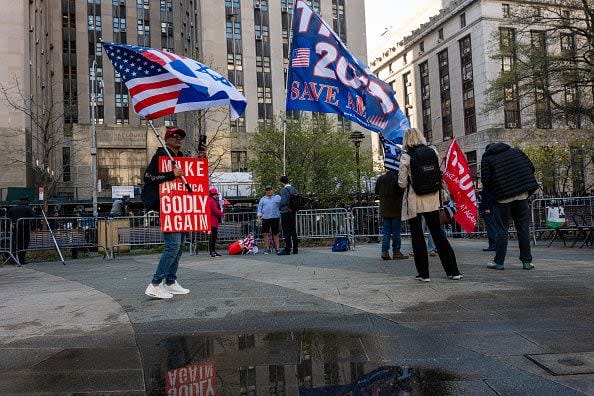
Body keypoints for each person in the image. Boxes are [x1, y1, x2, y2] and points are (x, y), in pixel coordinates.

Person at [398, 128, 462, 282]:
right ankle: (453, 271)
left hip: (415, 201)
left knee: (417, 237)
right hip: (433, 199)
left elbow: (402, 183)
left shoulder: (406, 156)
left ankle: (424, 274)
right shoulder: (433, 152)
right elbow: (439, 173)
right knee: (438, 235)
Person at [143, 127, 190, 299]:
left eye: (181, 137)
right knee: (172, 246)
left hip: (182, 205)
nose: (178, 139)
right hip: (168, 205)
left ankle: (170, 281)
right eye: (174, 136)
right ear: (166, 139)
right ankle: (155, 284)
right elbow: (148, 177)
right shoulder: (161, 155)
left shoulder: (181, 157)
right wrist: (171, 175)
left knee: (179, 247)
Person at [480, 142, 539, 270]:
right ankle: (527, 262)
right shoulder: (517, 152)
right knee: (523, 228)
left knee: (502, 230)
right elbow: (531, 167)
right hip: (521, 195)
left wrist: (495, 192)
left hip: (502, 198)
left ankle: (499, 262)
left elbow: (485, 180)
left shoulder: (487, 158)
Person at [375, 169, 408, 260]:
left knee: (386, 232)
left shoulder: (380, 179)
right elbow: (402, 192)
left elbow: (376, 191)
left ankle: (384, 252)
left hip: (385, 209)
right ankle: (396, 252)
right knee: (396, 232)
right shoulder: (397, 179)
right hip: (396, 209)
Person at [6, 197, 36, 265]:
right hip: (25, 229)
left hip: (15, 229)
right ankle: (21, 260)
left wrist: (8, 228)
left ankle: (13, 259)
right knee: (24, 244)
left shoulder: (12, 208)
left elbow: (8, 219)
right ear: (26, 201)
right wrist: (34, 226)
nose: (29, 203)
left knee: (15, 244)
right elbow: (34, 217)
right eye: (28, 201)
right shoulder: (28, 208)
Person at [257, 185, 281, 254]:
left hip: (275, 218)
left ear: (272, 190)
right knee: (265, 234)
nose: (269, 191)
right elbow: (259, 209)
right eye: (267, 190)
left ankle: (277, 249)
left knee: (276, 234)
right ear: (265, 191)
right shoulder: (262, 199)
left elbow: (282, 205)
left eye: (270, 190)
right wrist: (259, 217)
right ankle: (267, 249)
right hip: (265, 218)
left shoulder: (278, 197)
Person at [278, 175, 298, 255]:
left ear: (281, 182)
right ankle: (295, 249)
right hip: (293, 211)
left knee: (286, 230)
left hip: (285, 212)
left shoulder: (284, 190)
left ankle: (288, 248)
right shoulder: (293, 189)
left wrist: (279, 206)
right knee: (293, 230)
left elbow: (283, 201)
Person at [208, 187, 224, 257]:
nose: (217, 196)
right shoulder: (212, 201)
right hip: (213, 221)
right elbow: (215, 211)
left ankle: (212, 251)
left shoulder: (210, 200)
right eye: (216, 195)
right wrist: (222, 212)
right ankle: (212, 251)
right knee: (213, 237)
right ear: (214, 194)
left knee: (212, 237)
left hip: (212, 221)